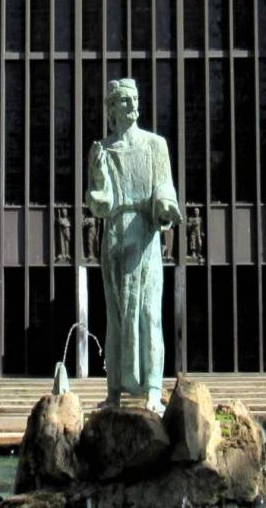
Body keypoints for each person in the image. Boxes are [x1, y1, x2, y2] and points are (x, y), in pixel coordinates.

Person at [85, 78, 179, 412]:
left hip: (145, 235)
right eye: (124, 101)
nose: (132, 106)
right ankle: (114, 391)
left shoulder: (156, 145)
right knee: (117, 315)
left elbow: (165, 187)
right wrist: (97, 181)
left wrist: (165, 204)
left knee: (149, 311)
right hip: (114, 236)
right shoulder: (103, 149)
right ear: (111, 107)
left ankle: (153, 388)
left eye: (134, 99)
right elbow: (102, 203)